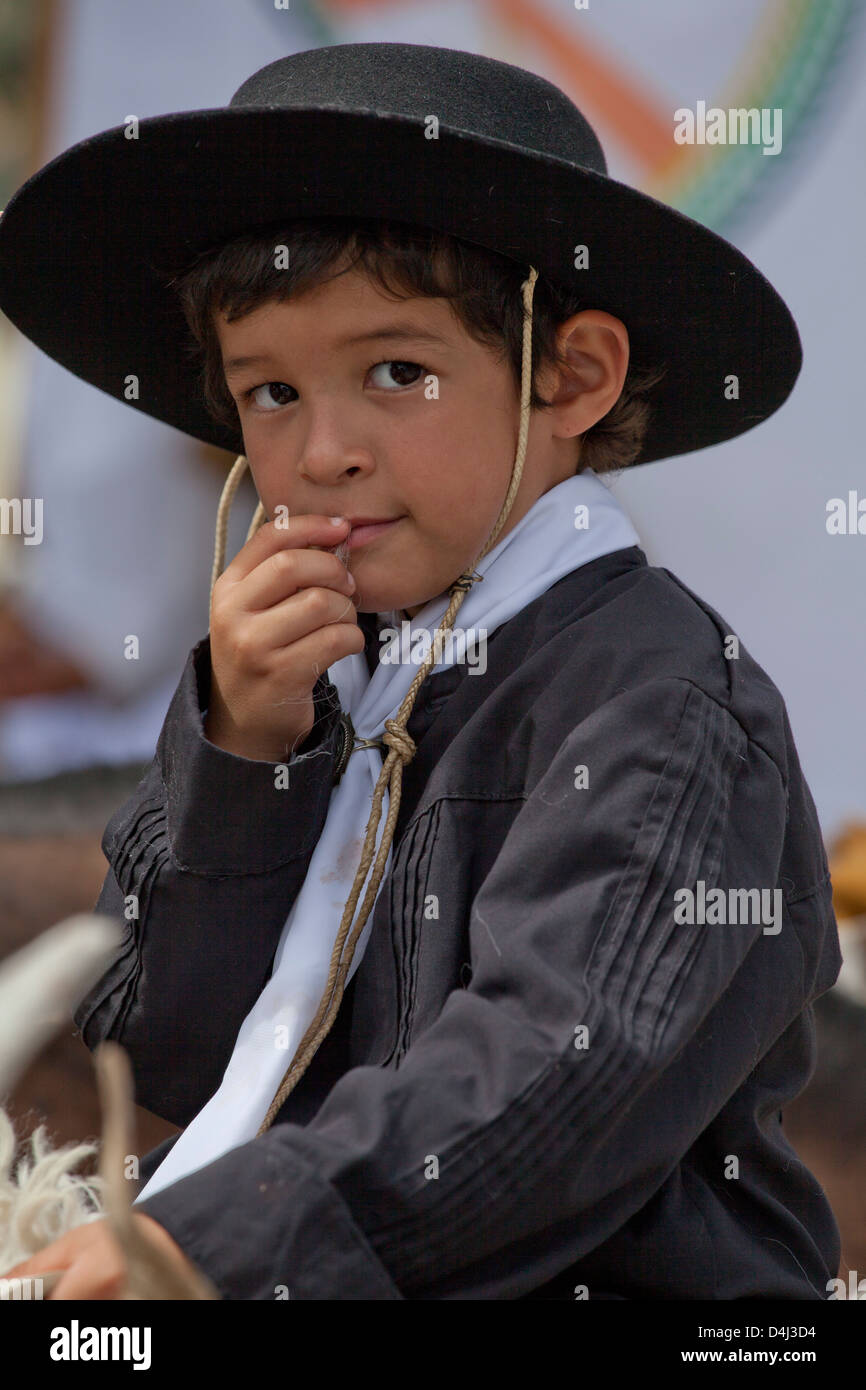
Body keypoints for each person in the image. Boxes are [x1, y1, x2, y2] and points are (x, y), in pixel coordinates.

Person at [0, 43, 842, 1300]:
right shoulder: (318, 683)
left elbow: (552, 1075)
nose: (322, 449)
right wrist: (242, 754)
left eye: (397, 372)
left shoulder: (661, 705)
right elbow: (160, 1051)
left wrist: (217, 1244)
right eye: (271, 391)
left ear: (571, 376)